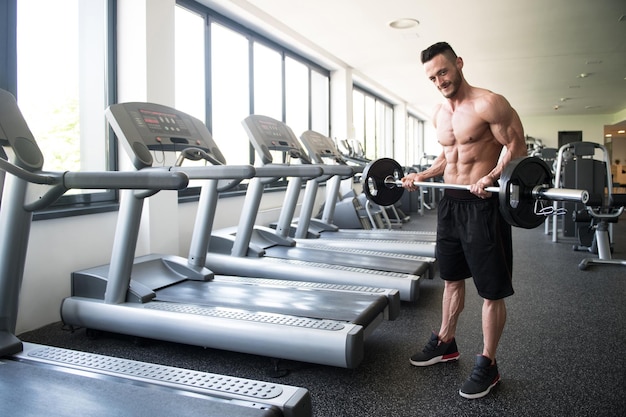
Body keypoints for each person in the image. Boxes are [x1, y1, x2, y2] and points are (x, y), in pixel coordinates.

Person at [402, 42, 526, 399]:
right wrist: (423, 174)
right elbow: (449, 155)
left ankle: (488, 363)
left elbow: (517, 146)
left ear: (458, 64)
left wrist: (493, 176)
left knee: (490, 289)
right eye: (432, 76)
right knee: (451, 279)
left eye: (443, 71)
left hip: (482, 203)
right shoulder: (440, 112)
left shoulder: (489, 103)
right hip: (451, 203)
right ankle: (445, 342)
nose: (439, 80)